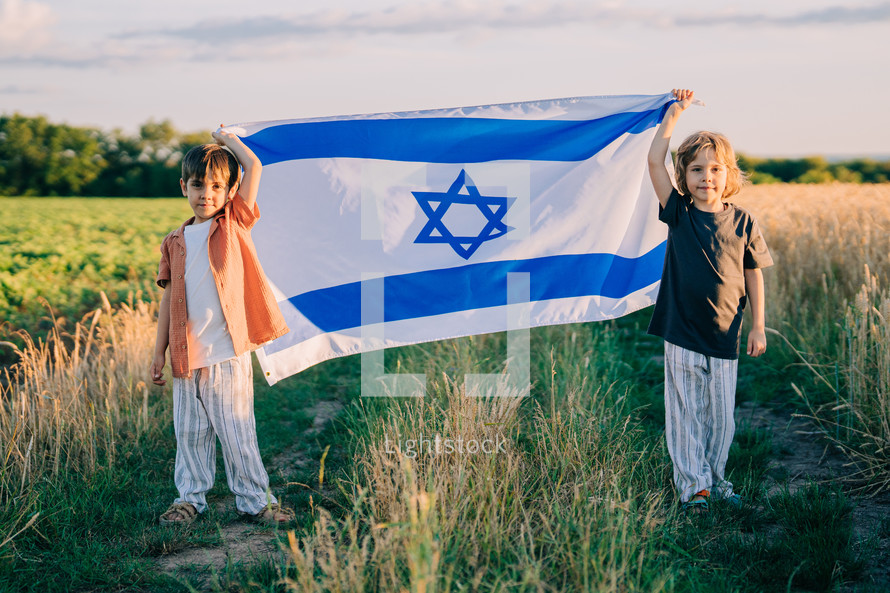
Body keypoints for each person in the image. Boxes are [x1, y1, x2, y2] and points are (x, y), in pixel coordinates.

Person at [149, 127, 293, 525]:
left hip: (227, 352)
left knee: (237, 431)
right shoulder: (174, 241)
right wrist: (157, 352)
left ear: (230, 192)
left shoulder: (234, 225)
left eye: (216, 186)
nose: (206, 194)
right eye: (198, 185)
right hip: (185, 357)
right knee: (190, 435)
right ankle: (189, 500)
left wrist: (225, 138)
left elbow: (254, 165)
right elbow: (168, 298)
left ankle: (257, 501)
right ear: (184, 187)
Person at [647, 89, 773, 514]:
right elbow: (653, 162)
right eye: (696, 169)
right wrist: (673, 115)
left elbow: (753, 271)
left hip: (726, 333)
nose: (706, 177)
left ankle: (717, 480)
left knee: (721, 418)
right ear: (683, 176)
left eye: (715, 169)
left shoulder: (744, 220)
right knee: (684, 414)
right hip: (681, 329)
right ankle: (693, 488)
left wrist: (758, 325)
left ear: (728, 173)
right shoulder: (678, 212)